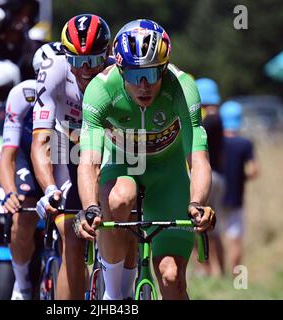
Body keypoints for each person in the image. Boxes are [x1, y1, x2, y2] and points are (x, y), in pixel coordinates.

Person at [74, 19, 216, 300]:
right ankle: (114, 296)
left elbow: (198, 157)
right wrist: (90, 207)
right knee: (119, 199)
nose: (143, 85)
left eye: (152, 74)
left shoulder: (182, 88)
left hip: (169, 176)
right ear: (119, 68)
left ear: (164, 68)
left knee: (171, 278)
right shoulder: (101, 89)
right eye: (134, 75)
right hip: (123, 167)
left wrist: (198, 204)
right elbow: (89, 160)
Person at [30, 14, 112, 299]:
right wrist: (50, 189)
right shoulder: (53, 70)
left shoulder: (118, 72)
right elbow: (40, 140)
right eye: (77, 60)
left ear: (109, 53)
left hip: (108, 147)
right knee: (72, 240)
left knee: (123, 230)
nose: (86, 68)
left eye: (93, 58)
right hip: (66, 145)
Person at [0, 42, 63, 300]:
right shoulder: (20, 95)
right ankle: (23, 283)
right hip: (30, 153)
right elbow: (7, 156)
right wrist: (8, 192)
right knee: (22, 215)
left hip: (64, 154)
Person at [219, 100, 259, 273]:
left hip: (217, 197)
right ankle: (237, 278)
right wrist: (241, 177)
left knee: (214, 237)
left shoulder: (216, 142)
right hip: (236, 198)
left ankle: (218, 274)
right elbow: (253, 170)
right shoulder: (245, 144)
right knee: (235, 240)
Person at [195, 78, 225, 276]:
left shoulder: (210, 120)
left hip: (208, 176)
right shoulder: (219, 119)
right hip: (219, 176)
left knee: (198, 221)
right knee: (215, 227)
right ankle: (220, 270)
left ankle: (205, 269)